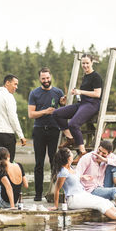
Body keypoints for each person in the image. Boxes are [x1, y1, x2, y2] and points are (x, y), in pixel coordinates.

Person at [49, 147, 116, 220]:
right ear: (68, 158)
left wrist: (82, 177)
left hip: (82, 194)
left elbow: (71, 179)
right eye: (70, 153)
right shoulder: (63, 172)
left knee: (106, 201)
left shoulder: (70, 168)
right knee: (100, 204)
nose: (73, 154)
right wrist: (56, 206)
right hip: (74, 199)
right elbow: (57, 189)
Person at [52, 53, 102, 164]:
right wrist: (76, 93)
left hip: (92, 104)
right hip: (82, 103)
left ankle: (82, 153)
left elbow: (97, 94)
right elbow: (83, 93)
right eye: (83, 63)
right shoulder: (85, 76)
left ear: (92, 63)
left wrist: (81, 91)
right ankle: (70, 138)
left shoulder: (96, 76)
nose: (85, 65)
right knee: (56, 113)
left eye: (87, 63)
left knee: (73, 124)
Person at [28, 67, 66, 201]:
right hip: (39, 130)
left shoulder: (58, 92)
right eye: (43, 78)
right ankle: (38, 195)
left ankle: (54, 193)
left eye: (47, 78)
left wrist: (62, 104)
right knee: (39, 163)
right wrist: (45, 112)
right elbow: (31, 114)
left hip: (54, 130)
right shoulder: (34, 93)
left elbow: (64, 110)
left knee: (54, 162)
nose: (46, 81)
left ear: (51, 77)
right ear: (40, 79)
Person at [76, 140, 116, 207]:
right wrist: (82, 178)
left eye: (104, 153)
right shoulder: (87, 158)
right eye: (99, 150)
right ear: (98, 147)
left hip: (103, 186)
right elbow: (76, 175)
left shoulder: (109, 157)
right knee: (115, 190)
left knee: (115, 167)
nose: (100, 154)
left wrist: (105, 160)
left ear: (109, 153)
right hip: (91, 190)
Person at [0, 74, 27, 167]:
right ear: (7, 83)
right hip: (6, 134)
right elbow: (13, 117)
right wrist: (21, 135)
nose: (16, 87)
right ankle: (8, 181)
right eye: (15, 84)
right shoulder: (8, 96)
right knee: (8, 163)